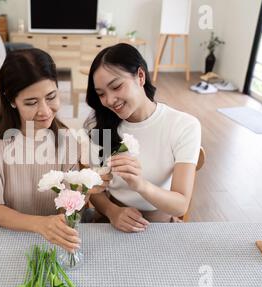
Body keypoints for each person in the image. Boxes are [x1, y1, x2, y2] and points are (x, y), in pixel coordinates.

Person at [0, 48, 109, 252]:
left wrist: (83, 191)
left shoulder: (66, 139)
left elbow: (65, 206)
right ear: (11, 100)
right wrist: (40, 224)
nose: (45, 111)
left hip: (47, 240)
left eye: (51, 97)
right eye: (31, 102)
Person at [85, 43, 201, 232]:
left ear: (140, 76)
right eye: (101, 94)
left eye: (116, 86)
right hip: (109, 221)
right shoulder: (99, 125)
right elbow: (95, 190)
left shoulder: (183, 125)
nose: (109, 100)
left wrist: (141, 185)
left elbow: (181, 205)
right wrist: (112, 211)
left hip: (160, 226)